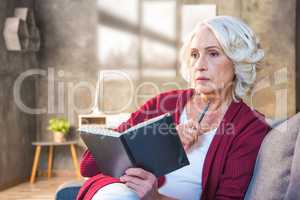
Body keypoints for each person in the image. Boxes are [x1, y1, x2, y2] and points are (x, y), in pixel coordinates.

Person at [77, 16, 270, 200]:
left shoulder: (251, 127)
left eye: (213, 53)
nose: (199, 65)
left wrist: (155, 198)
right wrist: (160, 140)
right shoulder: (163, 103)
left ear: (238, 62)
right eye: (194, 54)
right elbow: (88, 165)